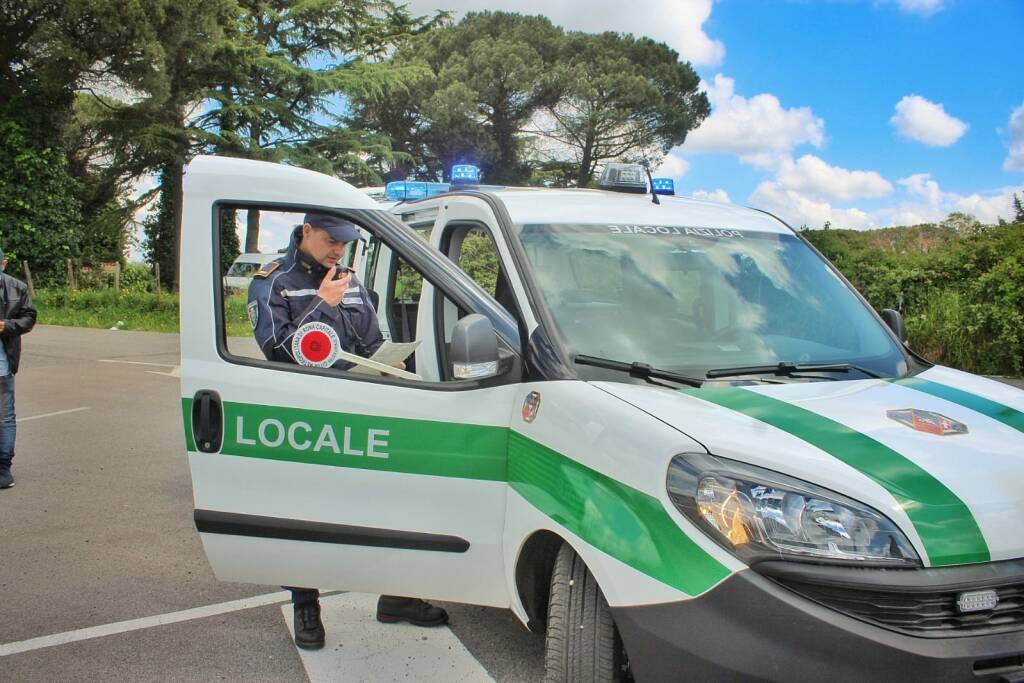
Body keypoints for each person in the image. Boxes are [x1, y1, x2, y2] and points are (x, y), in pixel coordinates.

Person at [248, 213, 447, 650]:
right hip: (308, 419)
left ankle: (397, 595)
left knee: (387, 504)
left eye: (344, 242)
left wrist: (392, 361)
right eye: (330, 240)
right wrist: (322, 304)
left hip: (362, 410)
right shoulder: (273, 282)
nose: (338, 250)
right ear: (306, 233)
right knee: (308, 513)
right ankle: (306, 605)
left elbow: (369, 341)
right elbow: (278, 352)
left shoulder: (351, 279)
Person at [0, 247, 37, 489]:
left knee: (4, 417)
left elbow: (29, 317)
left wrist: (7, 325)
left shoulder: (16, 287)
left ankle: (3, 467)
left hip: (2, 366)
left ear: (3, 264)